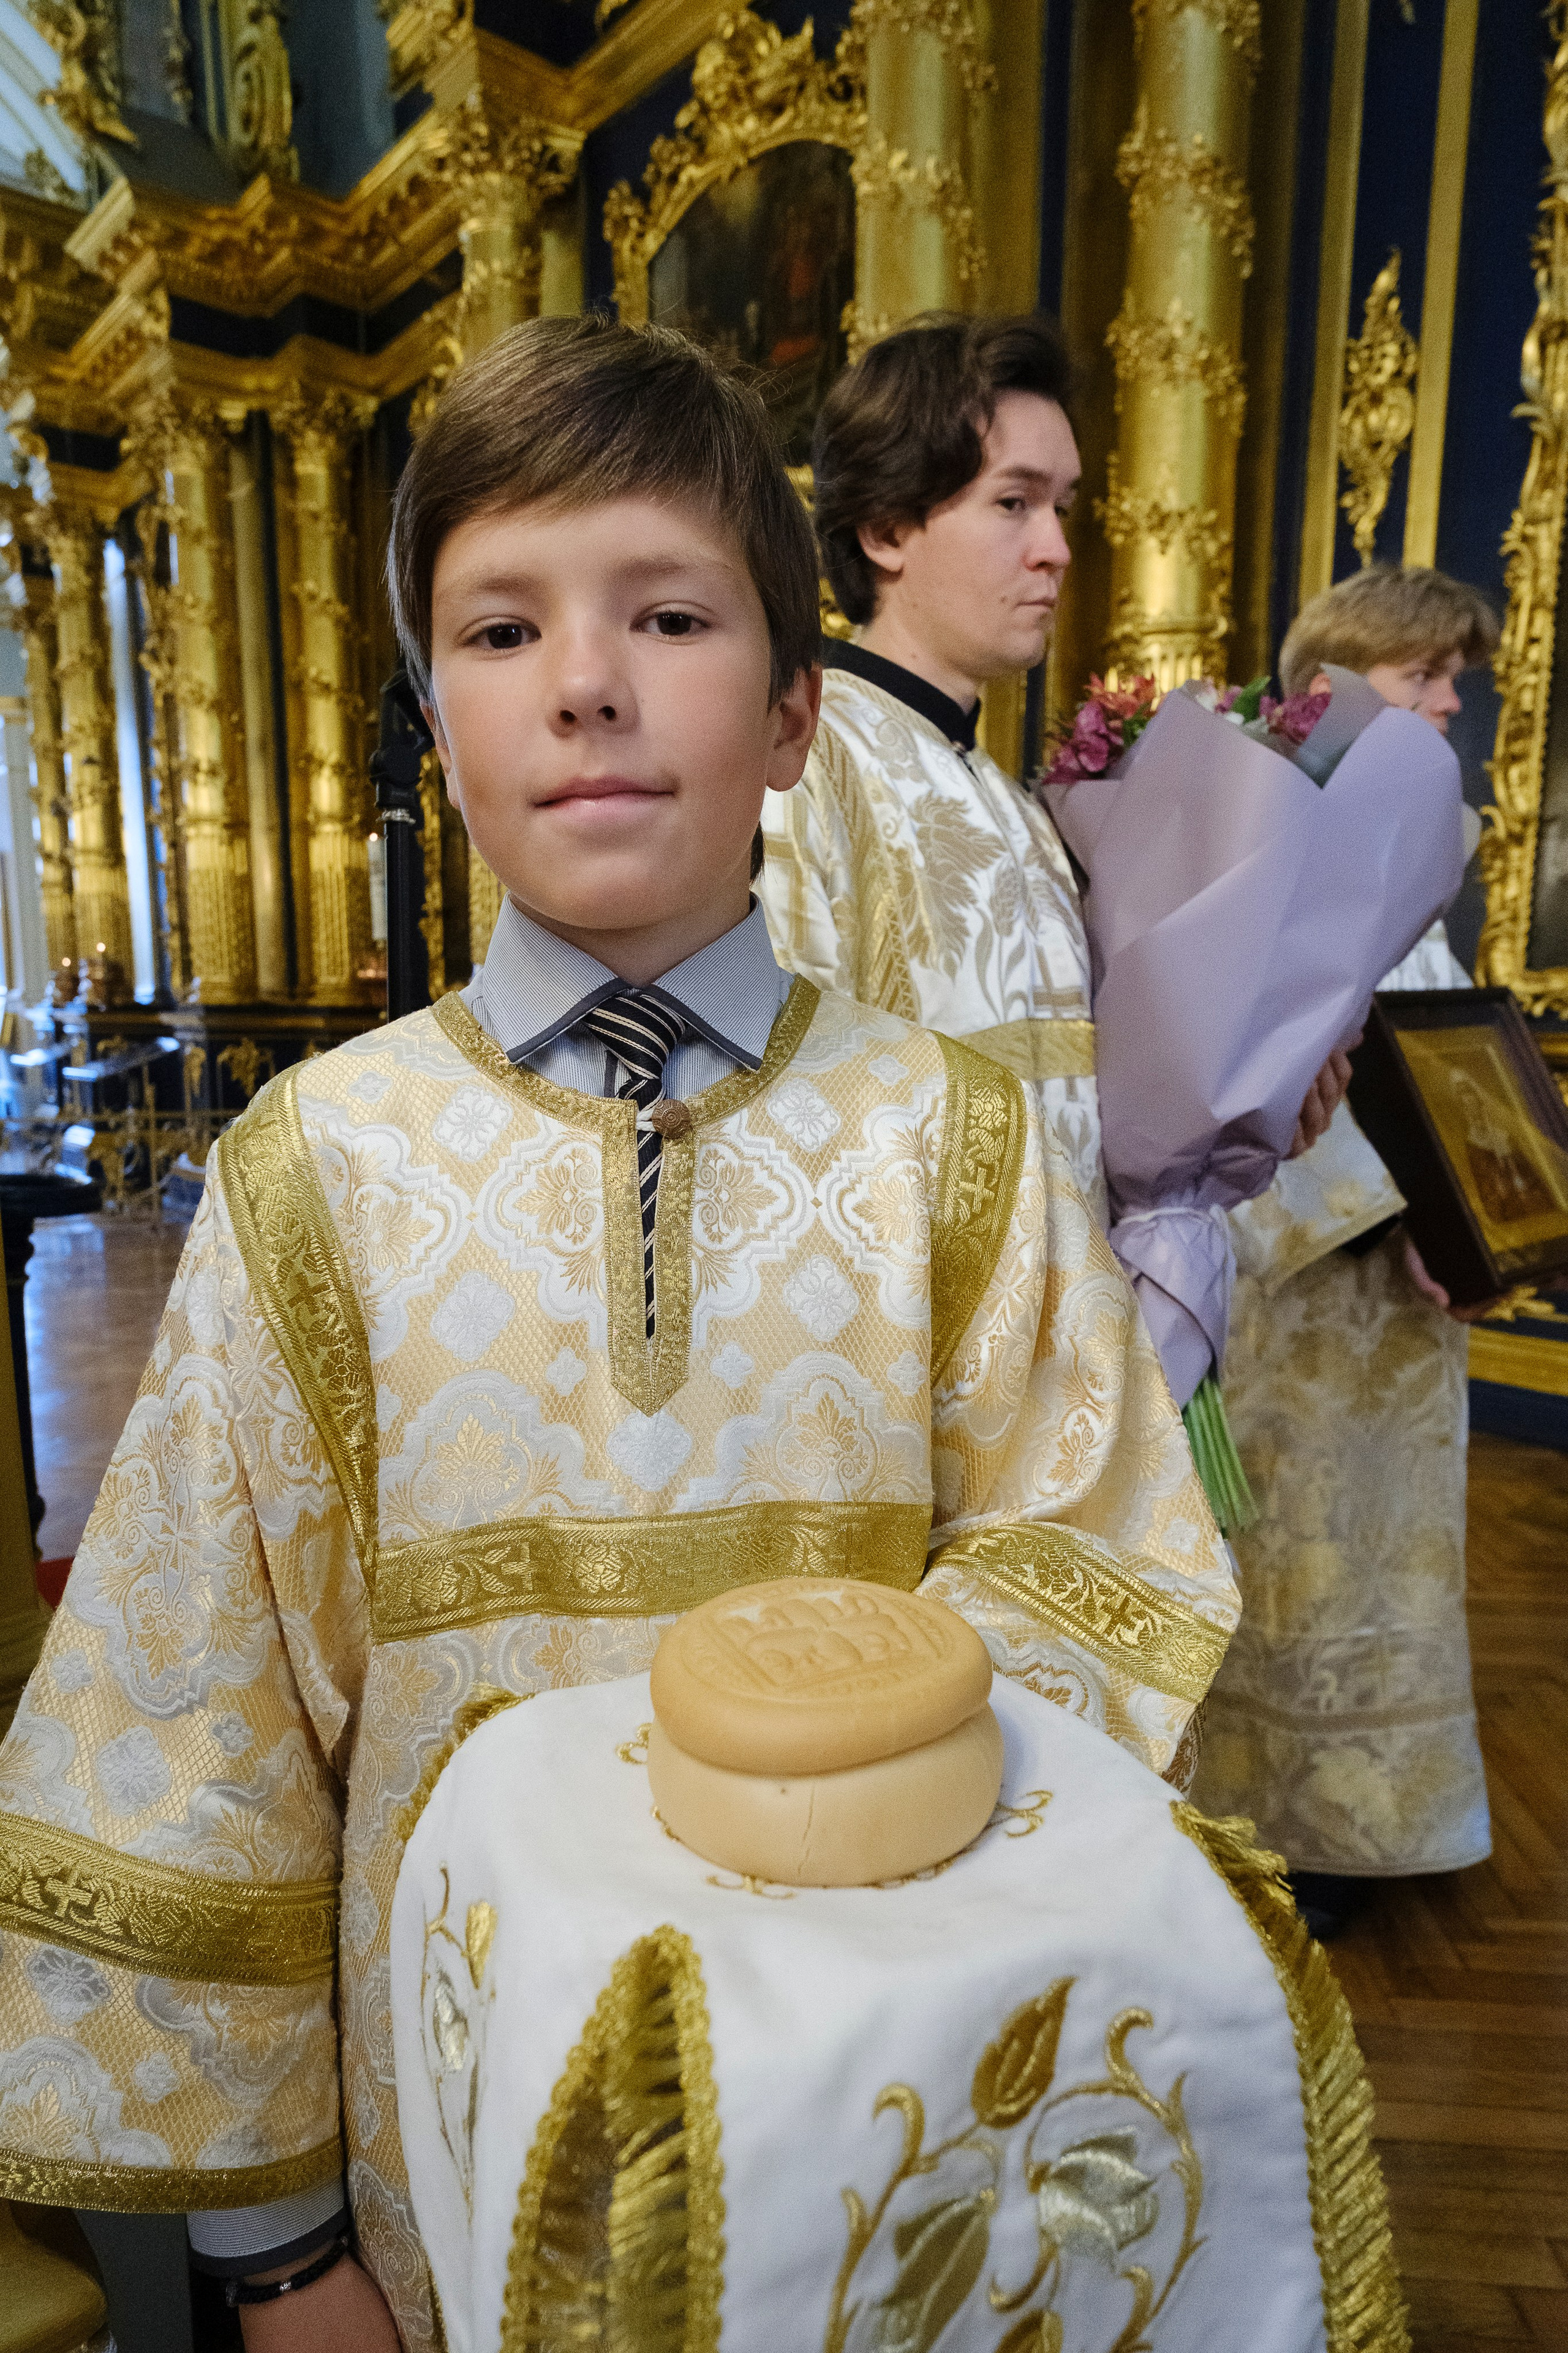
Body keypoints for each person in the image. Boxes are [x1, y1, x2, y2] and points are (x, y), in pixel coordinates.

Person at [0, 317, 1236, 2351]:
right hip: (447, 2151)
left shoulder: (955, 1141)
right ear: (438, 723)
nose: (585, 681)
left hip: (879, 2129)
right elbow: (200, 1718)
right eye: (501, 632)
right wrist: (283, 2254)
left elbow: (1097, 1561)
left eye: (667, 613)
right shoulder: (325, 1167)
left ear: (790, 717)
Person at [757, 312, 1350, 1241]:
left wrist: (1248, 1109)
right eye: (1013, 503)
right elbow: (774, 1121)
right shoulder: (803, 763)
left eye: (1062, 507)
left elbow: (1073, 1117)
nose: (1057, 549)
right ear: (884, 528)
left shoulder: (1017, 807)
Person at [1190, 563, 1502, 1939]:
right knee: (1294, 1560)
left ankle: (1381, 1808)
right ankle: (1280, 1818)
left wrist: (1478, 1216)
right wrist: (1403, 1216)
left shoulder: (1408, 851)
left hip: (1399, 1290)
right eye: (1417, 676)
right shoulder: (1261, 841)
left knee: (1387, 1559)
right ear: (1328, 685)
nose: (1445, 704)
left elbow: (1431, 1065)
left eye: (1453, 680)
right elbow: (1233, 1070)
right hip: (1304, 1289)